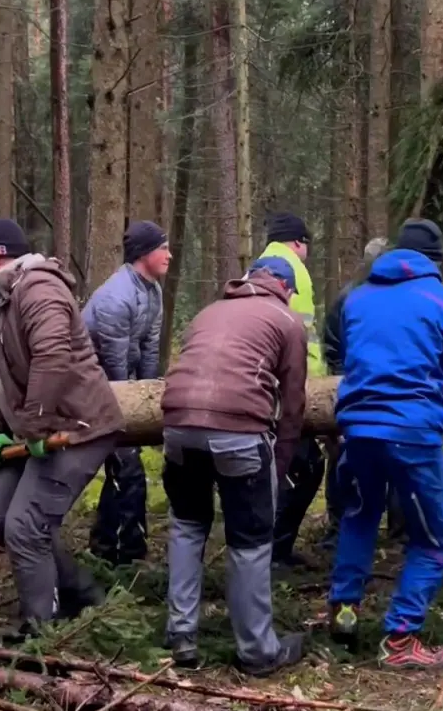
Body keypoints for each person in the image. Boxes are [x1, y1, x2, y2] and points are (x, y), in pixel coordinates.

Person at [0, 217, 125, 638]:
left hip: (79, 429)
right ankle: (77, 591)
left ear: (1, 256)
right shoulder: (2, 302)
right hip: (39, 430)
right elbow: (0, 375)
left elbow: (53, 356)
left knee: (26, 526)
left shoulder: (39, 288)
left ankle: (41, 630)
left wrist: (35, 425)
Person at [327, 219, 443, 670]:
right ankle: (401, 638)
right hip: (413, 433)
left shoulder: (357, 299)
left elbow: (353, 357)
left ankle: (344, 610)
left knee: (359, 513)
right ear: (437, 262)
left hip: (358, 428)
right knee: (432, 538)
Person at [160, 257, 309, 675]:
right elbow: (293, 404)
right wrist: (278, 464)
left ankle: (182, 634)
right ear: (283, 285)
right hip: (239, 431)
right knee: (250, 540)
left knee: (188, 526)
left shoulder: (209, 312)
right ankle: (258, 651)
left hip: (177, 427)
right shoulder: (287, 321)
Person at [83, 220, 169, 566]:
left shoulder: (153, 291)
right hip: (93, 390)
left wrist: (149, 404)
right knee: (128, 470)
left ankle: (108, 546)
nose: (169, 255)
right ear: (144, 253)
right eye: (163, 248)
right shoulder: (115, 297)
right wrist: (129, 414)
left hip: (122, 387)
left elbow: (149, 349)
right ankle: (125, 554)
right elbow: (113, 363)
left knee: (125, 470)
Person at [320, 237, 404, 550]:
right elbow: (333, 347)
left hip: (386, 390)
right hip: (354, 388)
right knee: (345, 458)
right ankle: (340, 527)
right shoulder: (349, 298)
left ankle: (397, 532)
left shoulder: (395, 298)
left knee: (392, 459)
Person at [259, 212, 330, 567]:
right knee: (304, 468)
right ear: (299, 242)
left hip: (261, 386)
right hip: (290, 388)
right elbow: (299, 335)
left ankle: (271, 547)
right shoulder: (294, 270)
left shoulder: (259, 264)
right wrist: (310, 385)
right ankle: (275, 551)